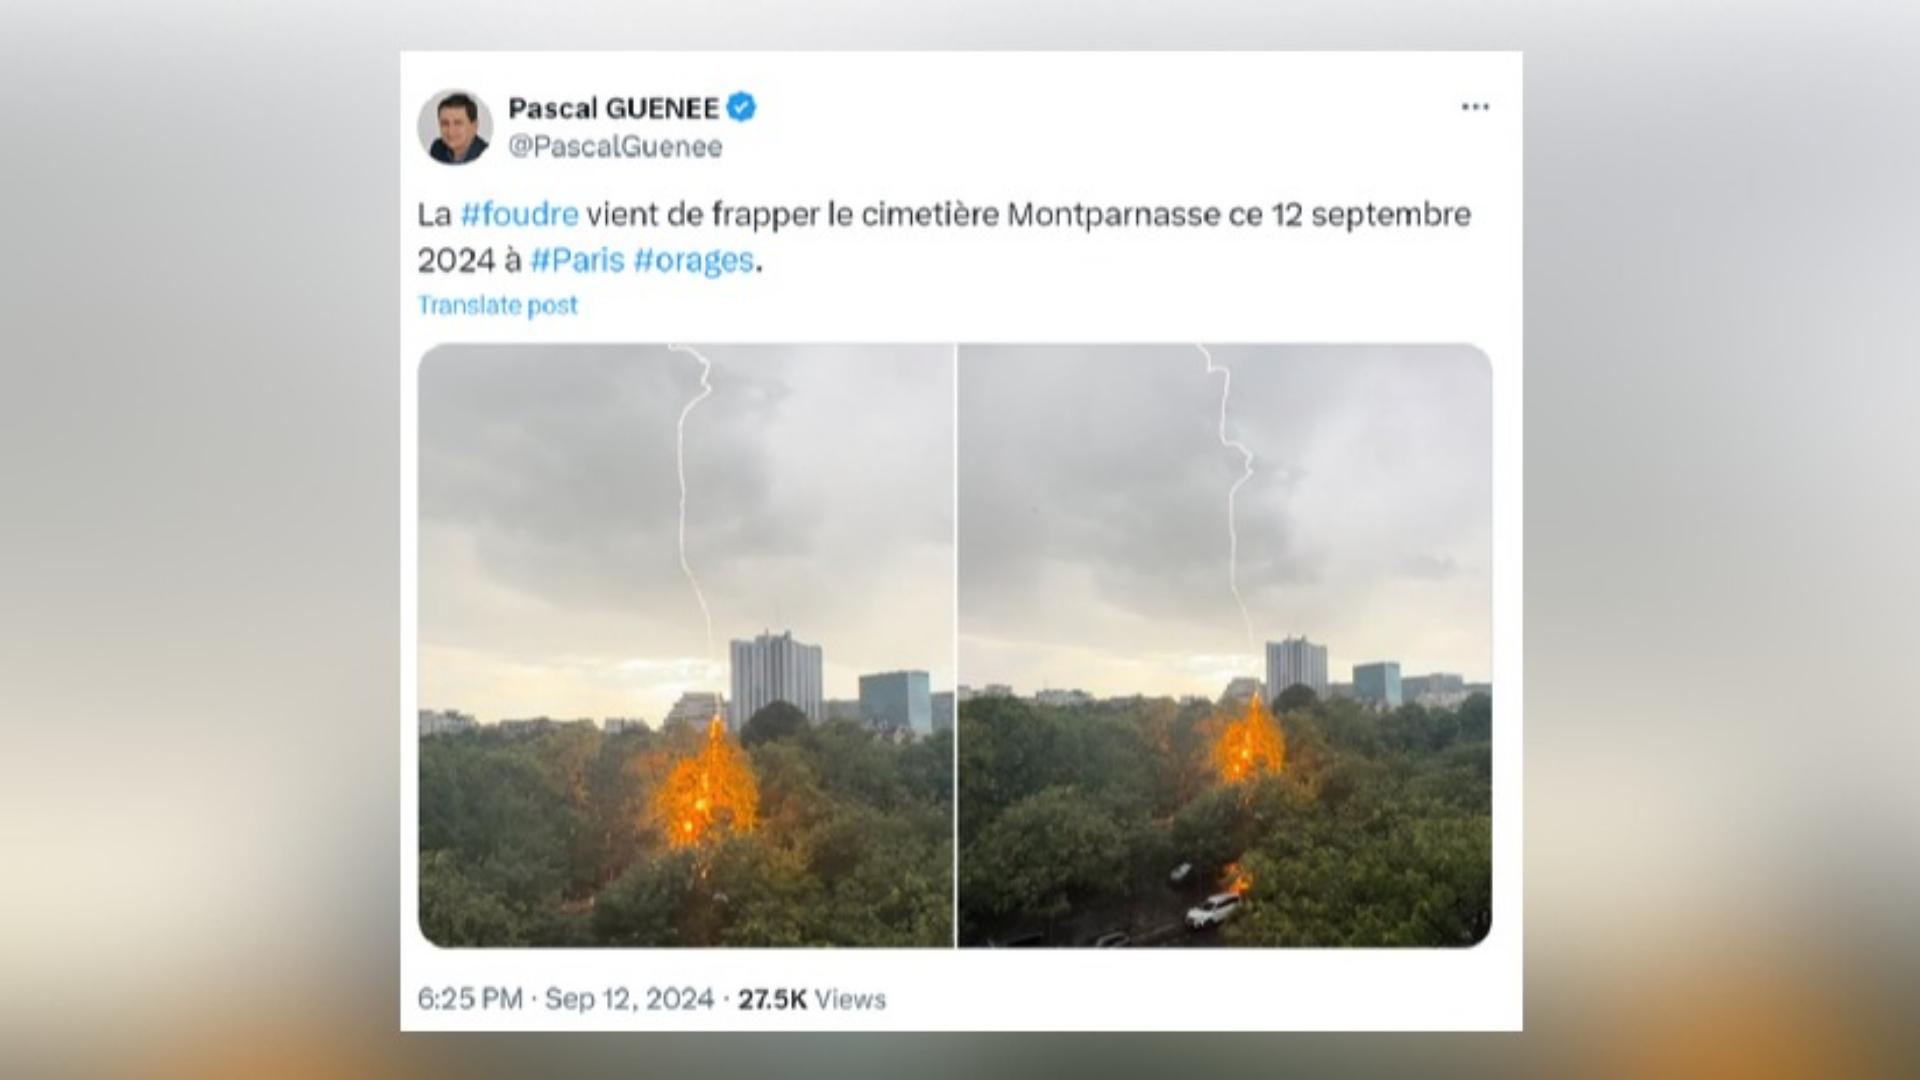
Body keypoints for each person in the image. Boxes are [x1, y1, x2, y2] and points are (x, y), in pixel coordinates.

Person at [429, 93, 487, 164]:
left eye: (458, 123)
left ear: (474, 126)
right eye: (445, 123)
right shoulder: (437, 148)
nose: (450, 131)